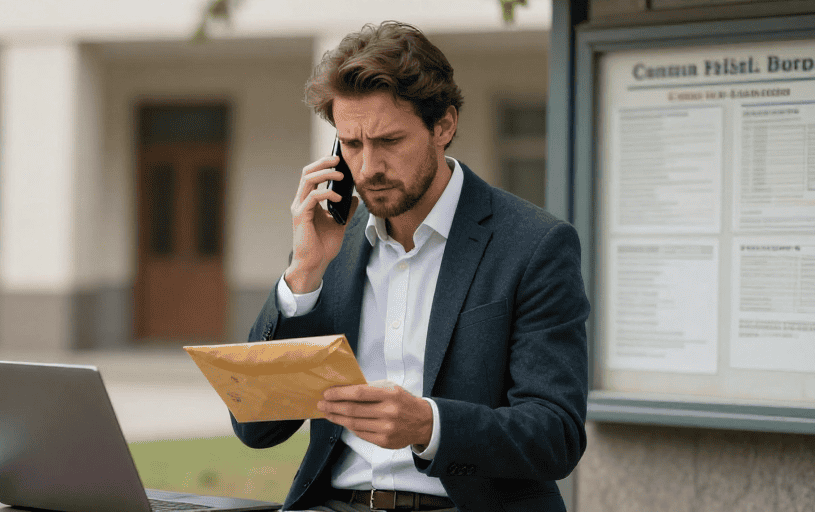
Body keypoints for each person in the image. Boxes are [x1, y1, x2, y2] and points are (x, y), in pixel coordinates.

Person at [233, 21, 589, 512]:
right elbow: (256, 428)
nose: (369, 167)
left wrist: (429, 425)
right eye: (352, 145)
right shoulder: (328, 247)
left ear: (444, 126)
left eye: (389, 141)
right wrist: (304, 272)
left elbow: (556, 434)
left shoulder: (534, 245)